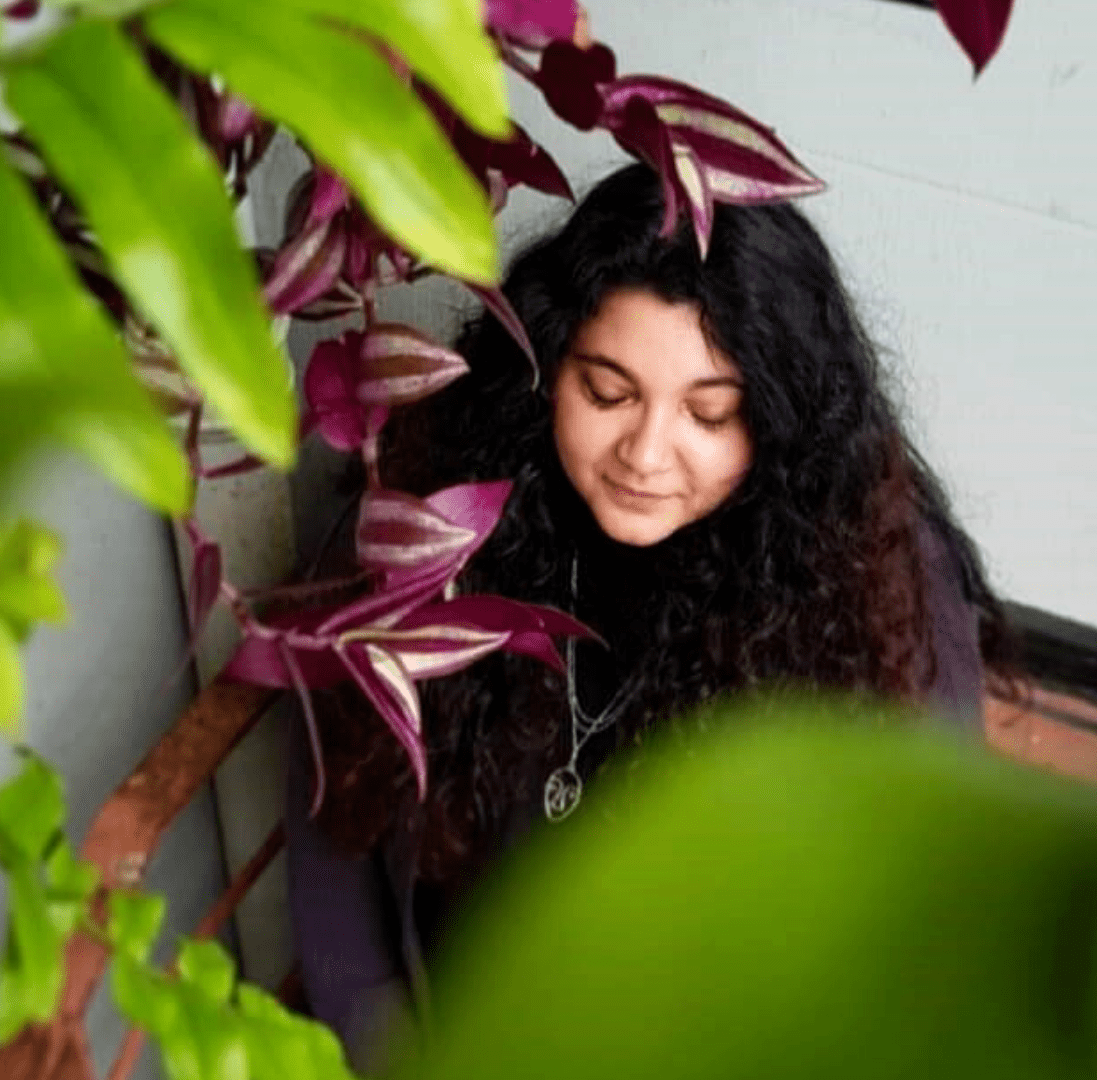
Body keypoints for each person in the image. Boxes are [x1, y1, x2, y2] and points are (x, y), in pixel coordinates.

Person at [285, 163, 1017, 1069]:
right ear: (544, 370)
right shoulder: (439, 507)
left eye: (710, 415)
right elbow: (340, 836)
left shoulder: (876, 591)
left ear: (780, 424)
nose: (645, 453)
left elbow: (906, 937)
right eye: (606, 392)